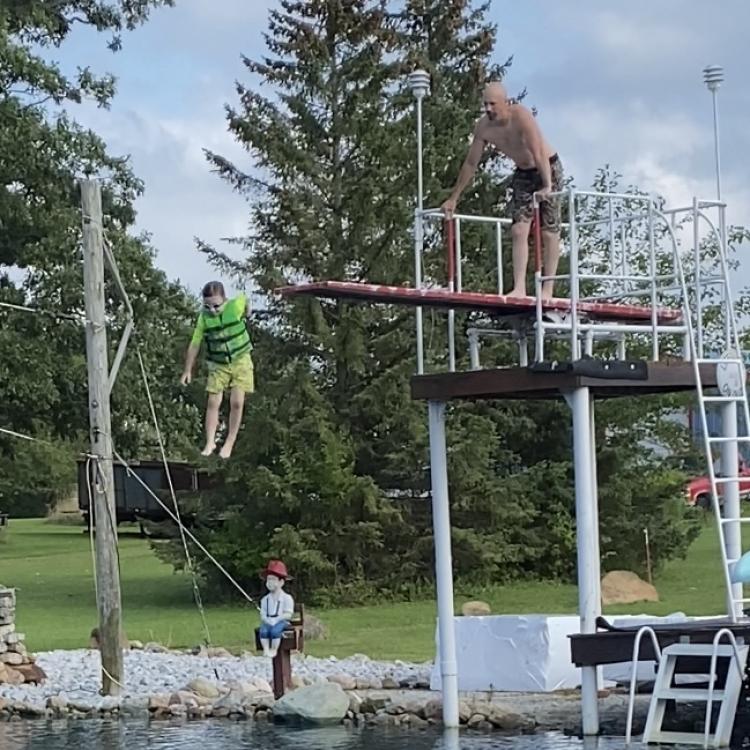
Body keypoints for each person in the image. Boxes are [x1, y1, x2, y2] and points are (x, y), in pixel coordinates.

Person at [441, 81, 564, 300]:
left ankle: (548, 289)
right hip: (523, 173)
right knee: (518, 230)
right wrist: (454, 198)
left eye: (492, 104)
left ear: (505, 103)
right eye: (485, 104)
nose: (488, 109)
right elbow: (471, 163)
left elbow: (537, 152)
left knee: (548, 230)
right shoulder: (484, 127)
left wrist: (547, 185)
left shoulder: (521, 116)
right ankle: (519, 287)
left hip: (547, 166)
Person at [180, 281, 254, 459]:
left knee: (237, 402)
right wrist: (187, 370)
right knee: (213, 402)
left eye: (216, 306)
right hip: (218, 364)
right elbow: (195, 344)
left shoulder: (234, 306)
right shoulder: (204, 318)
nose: (212, 310)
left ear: (225, 300)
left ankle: (230, 441)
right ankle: (210, 441)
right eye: (208, 306)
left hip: (240, 360)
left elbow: (245, 298)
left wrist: (248, 310)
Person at [258, 560, 294, 658]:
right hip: (268, 620)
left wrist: (277, 619)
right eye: (268, 579)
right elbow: (263, 613)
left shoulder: (287, 598)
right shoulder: (265, 599)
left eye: (273, 579)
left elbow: (288, 614)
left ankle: (274, 649)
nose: (270, 582)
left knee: (275, 631)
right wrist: (266, 619)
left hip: (281, 621)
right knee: (263, 631)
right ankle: (266, 649)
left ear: (281, 582)